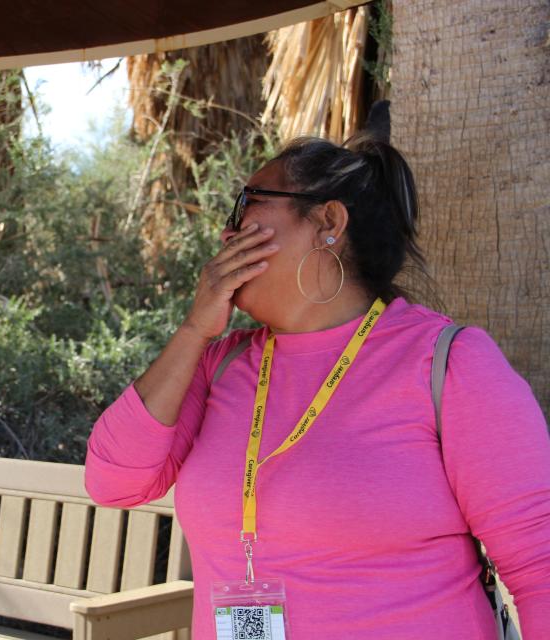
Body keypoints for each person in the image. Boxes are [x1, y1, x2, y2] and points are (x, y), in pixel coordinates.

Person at [85, 134, 550, 639]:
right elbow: (114, 484)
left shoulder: (451, 362)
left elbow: (540, 566)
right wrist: (195, 329)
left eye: (249, 202)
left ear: (328, 223)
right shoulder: (219, 362)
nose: (227, 231)